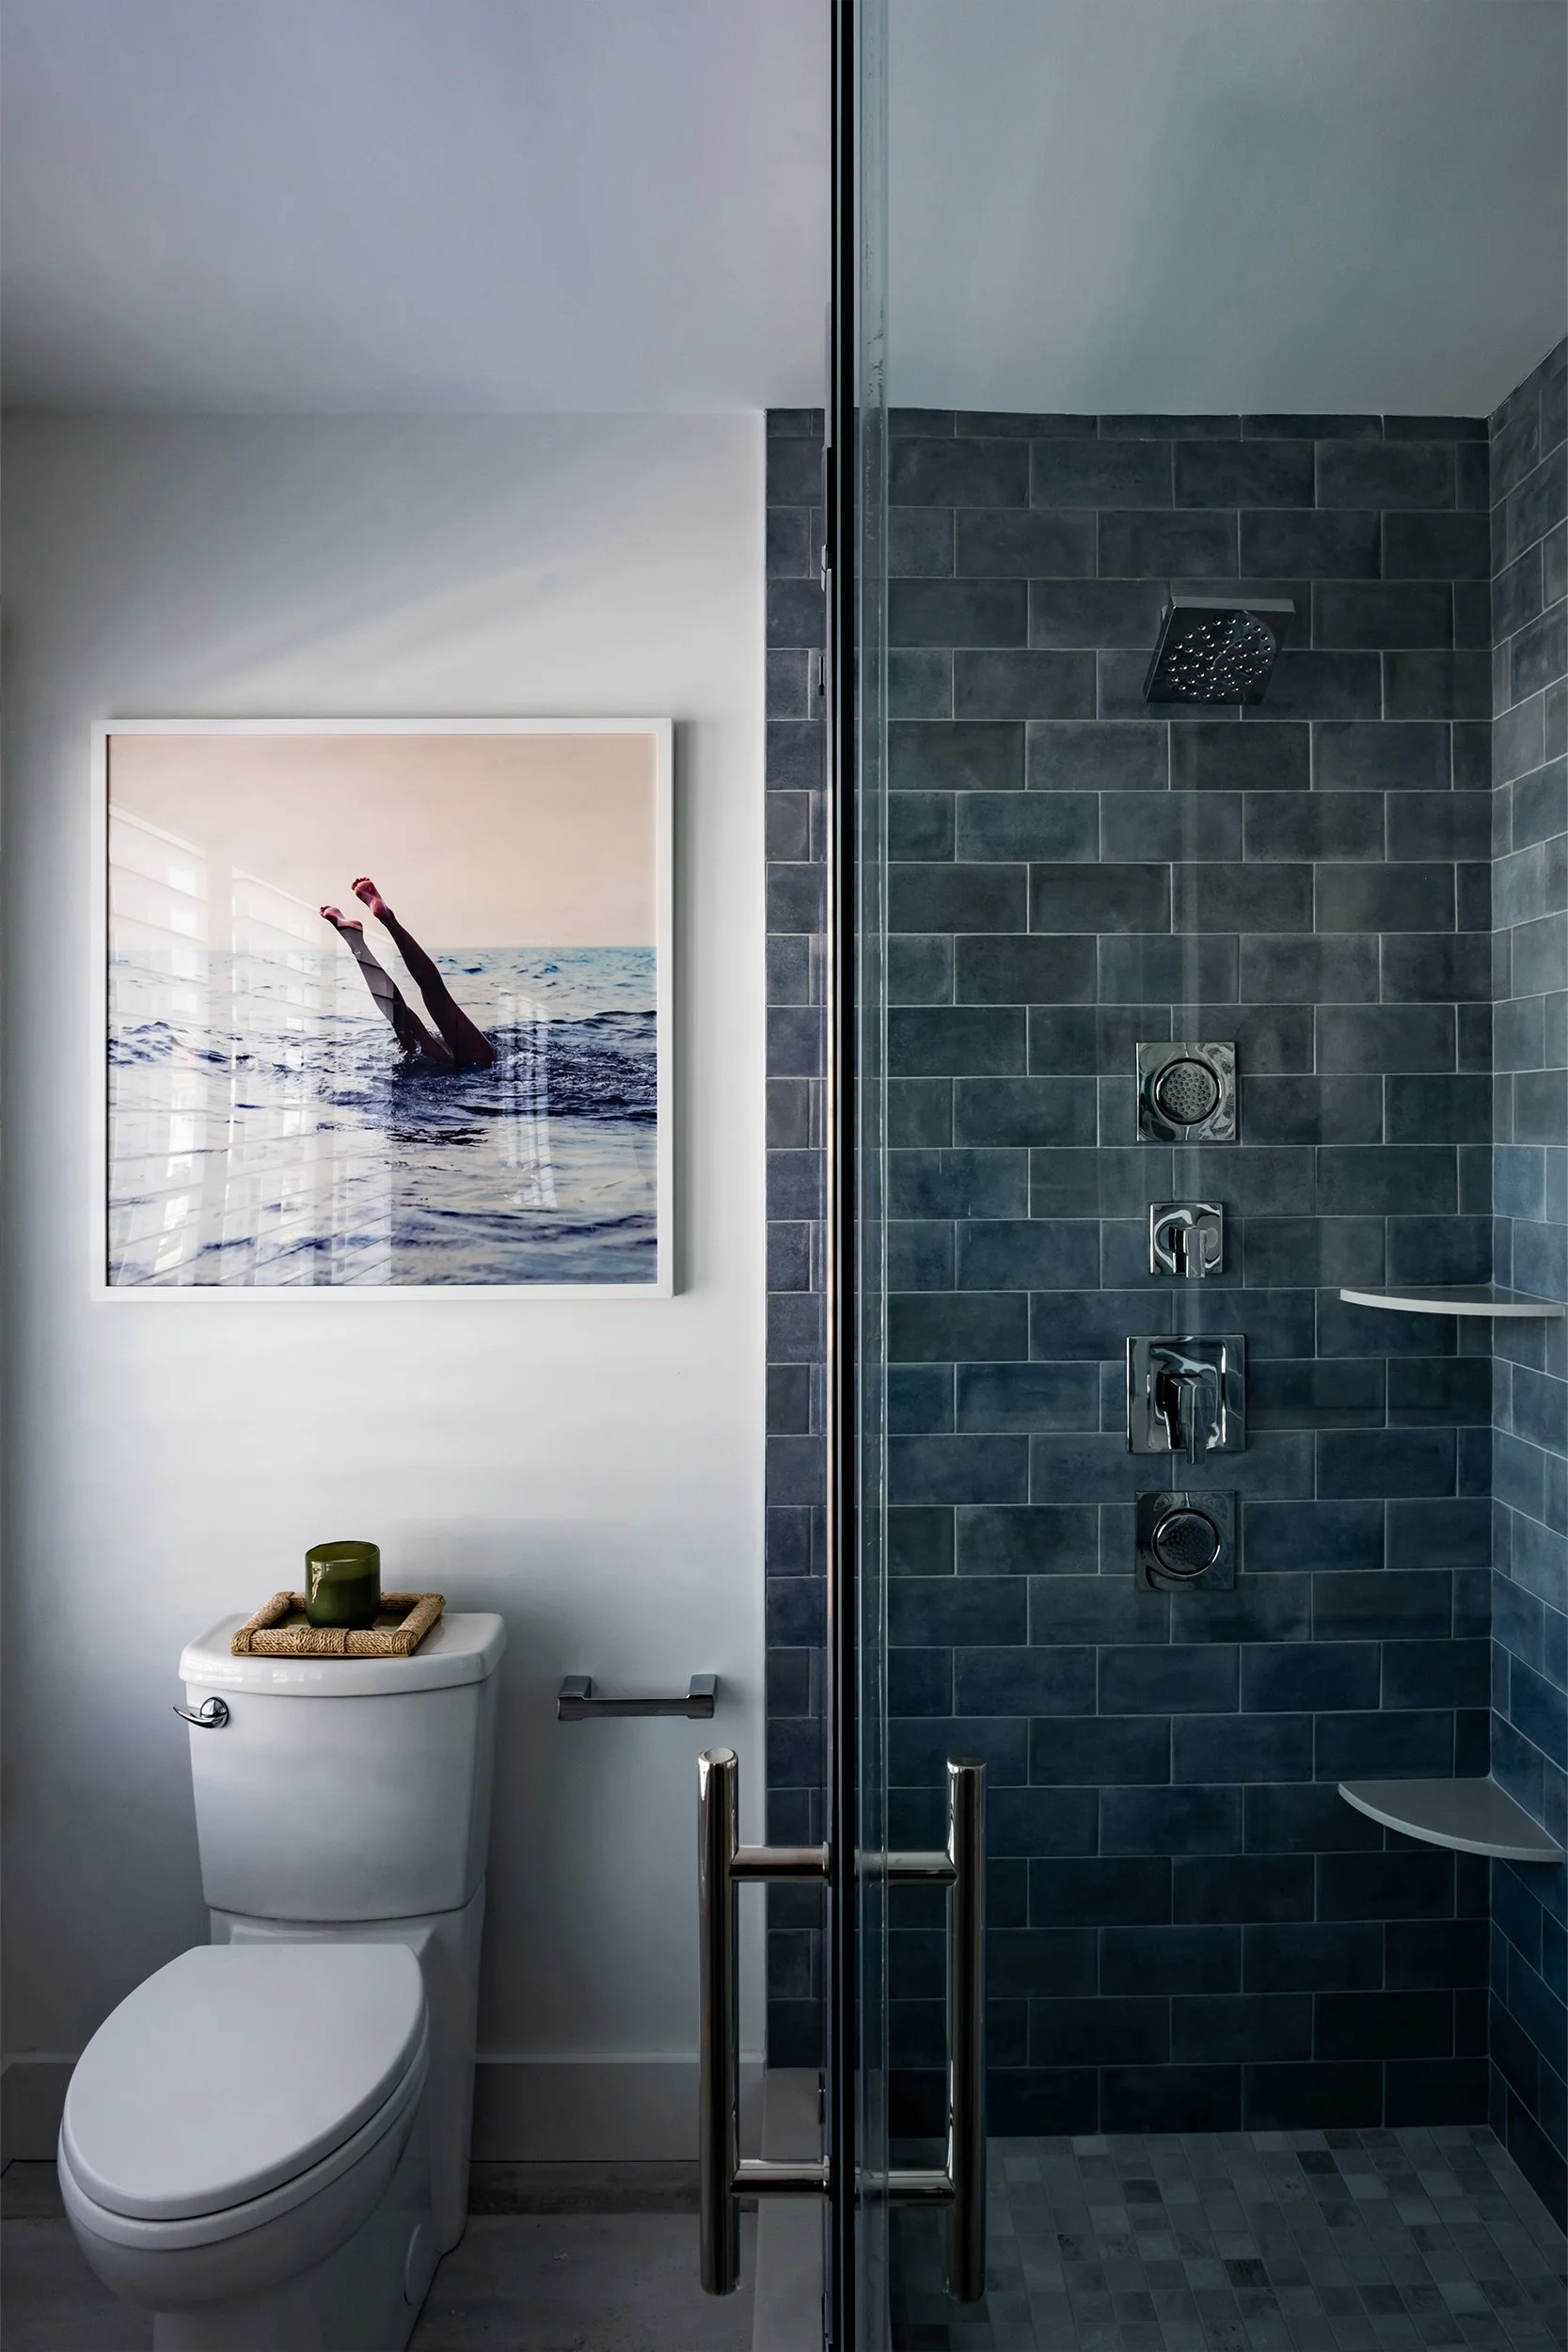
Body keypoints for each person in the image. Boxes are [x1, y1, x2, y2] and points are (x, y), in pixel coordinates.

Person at [320, 876, 498, 1071]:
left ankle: (361, 938)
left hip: (427, 1067)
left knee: (408, 1015)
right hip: (473, 1066)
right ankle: (383, 923)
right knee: (433, 1000)